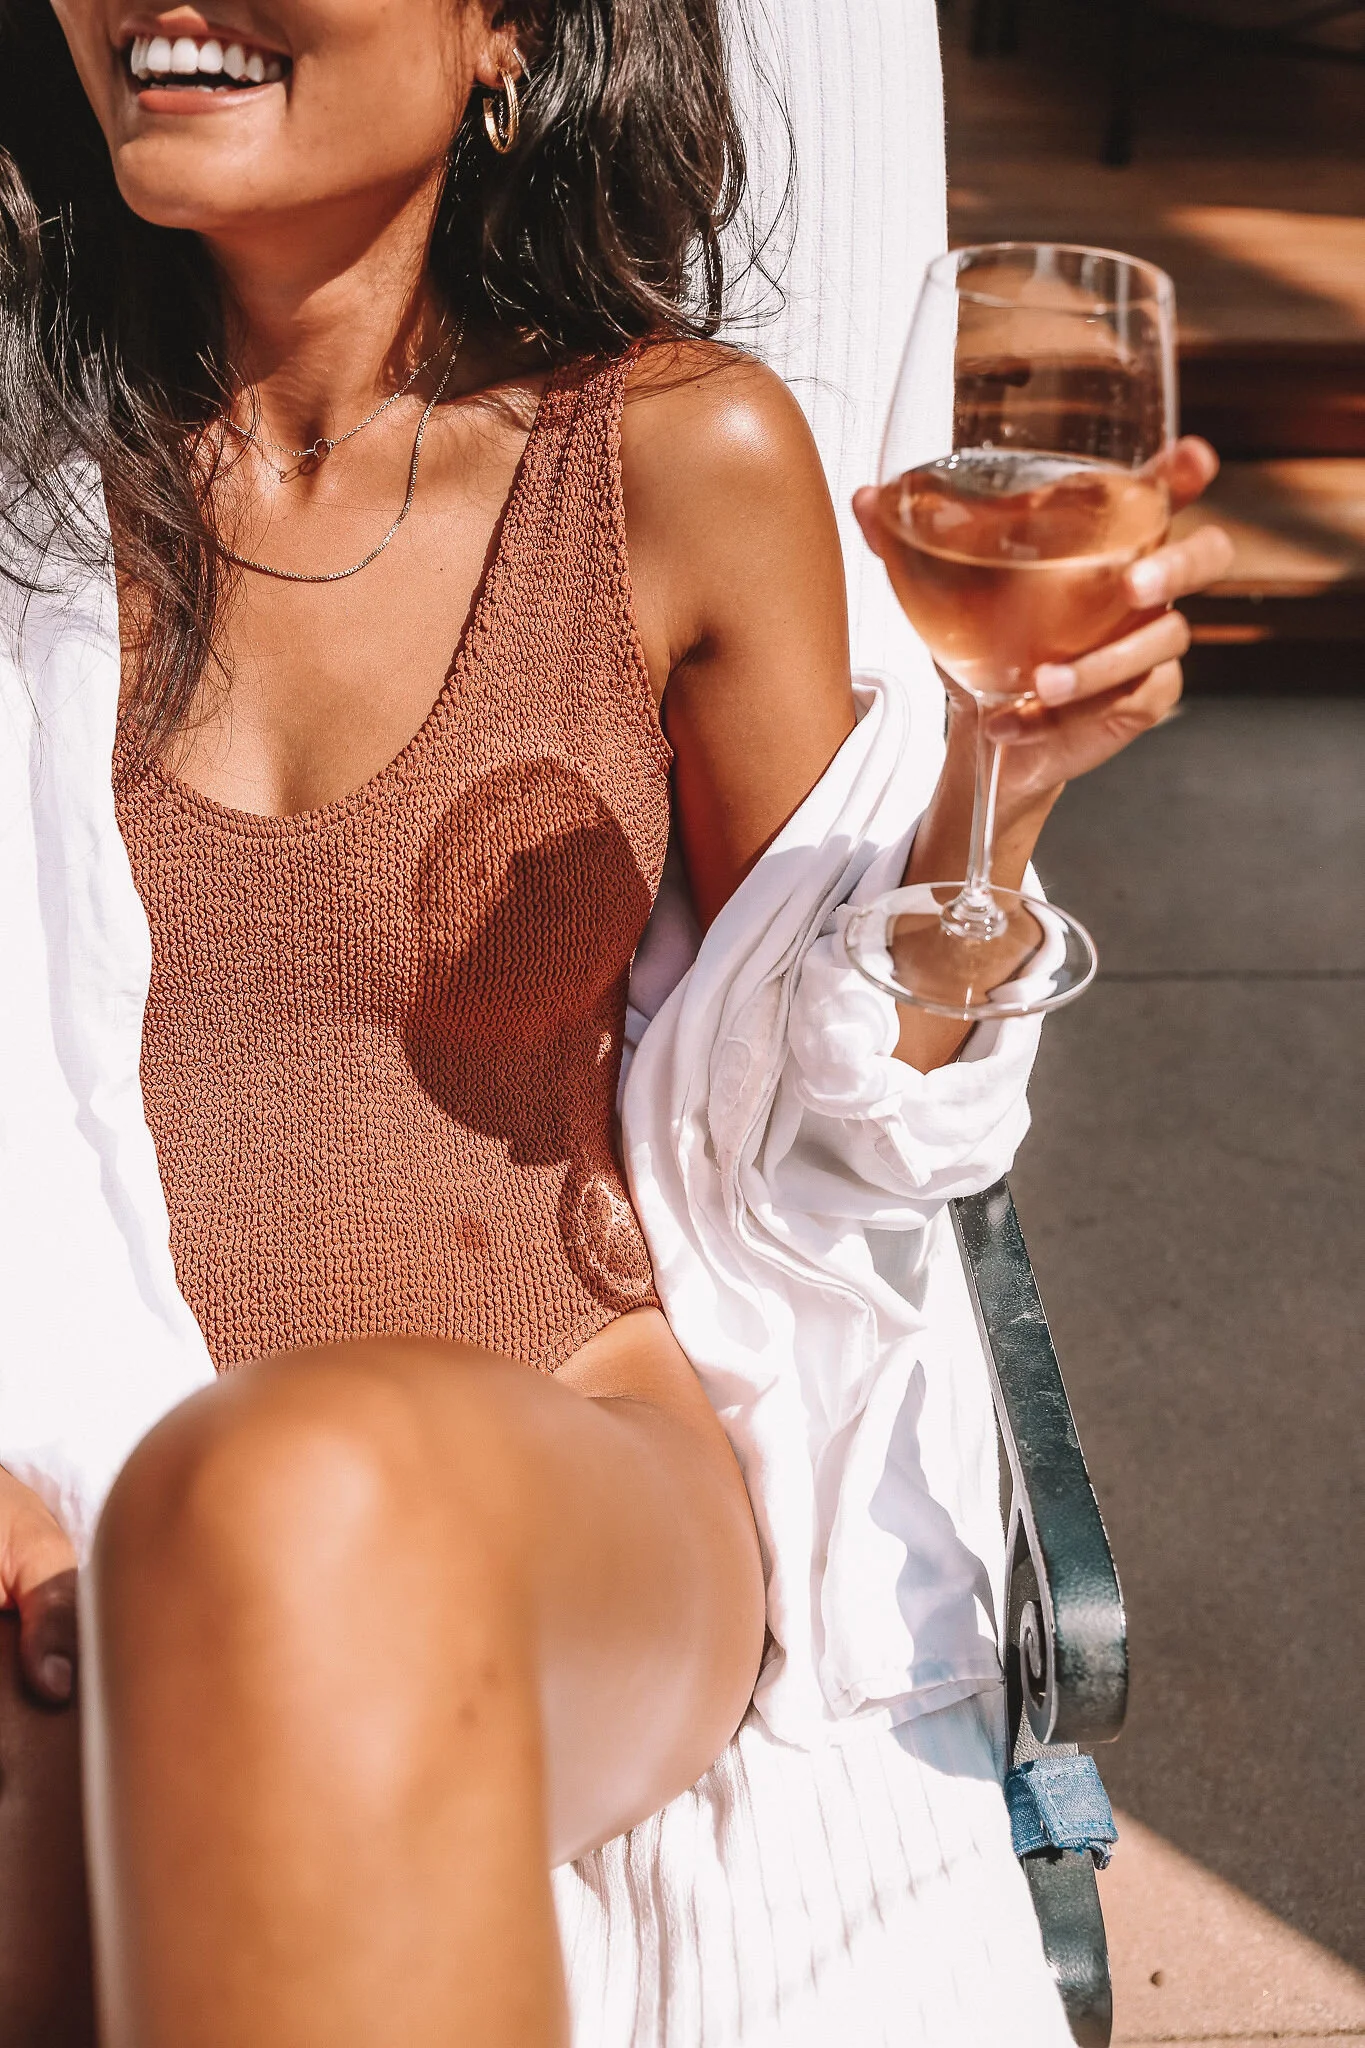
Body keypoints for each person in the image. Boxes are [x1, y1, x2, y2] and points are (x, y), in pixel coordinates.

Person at [0, 2, 1233, 2044]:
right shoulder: (29, 484)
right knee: (53, 1776)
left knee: (287, 1502)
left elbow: (836, 1097)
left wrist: (990, 798)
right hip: (82, 1446)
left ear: (501, 27)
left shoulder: (670, 457)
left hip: (574, 1457)